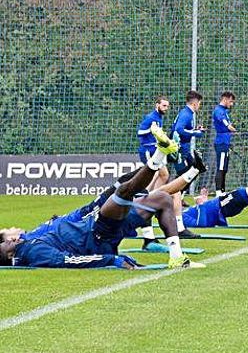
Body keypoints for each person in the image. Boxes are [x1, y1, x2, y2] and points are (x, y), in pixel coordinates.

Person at [0, 125, 199, 269]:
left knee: (160, 199)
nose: (12, 234)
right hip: (96, 233)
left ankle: (177, 257)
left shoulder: (32, 237)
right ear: (9, 251)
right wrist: (111, 259)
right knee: (124, 191)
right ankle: (161, 154)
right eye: (7, 237)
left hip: (93, 223)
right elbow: (66, 260)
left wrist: (91, 208)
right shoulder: (32, 251)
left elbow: (70, 220)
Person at [171, 90, 206, 238]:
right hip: (180, 151)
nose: (199, 106)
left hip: (183, 150)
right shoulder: (187, 113)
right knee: (183, 178)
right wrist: (195, 133)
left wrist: (194, 130)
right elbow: (178, 130)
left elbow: (184, 130)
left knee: (193, 171)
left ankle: (177, 198)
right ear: (194, 102)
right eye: (199, 103)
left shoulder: (188, 113)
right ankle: (172, 203)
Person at [136, 96, 171, 191]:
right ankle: (143, 195)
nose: (166, 108)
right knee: (155, 174)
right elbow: (139, 132)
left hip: (155, 150)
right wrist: (150, 129)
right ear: (157, 105)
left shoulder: (159, 117)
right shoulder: (151, 117)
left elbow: (156, 134)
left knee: (164, 175)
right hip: (148, 150)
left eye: (167, 106)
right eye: (164, 105)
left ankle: (152, 196)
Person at [212, 91, 237, 196]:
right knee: (221, 167)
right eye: (230, 102)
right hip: (221, 142)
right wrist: (228, 126)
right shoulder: (218, 110)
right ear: (225, 99)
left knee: (225, 168)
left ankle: (223, 191)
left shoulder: (225, 111)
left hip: (226, 142)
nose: (231, 104)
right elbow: (221, 119)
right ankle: (218, 192)